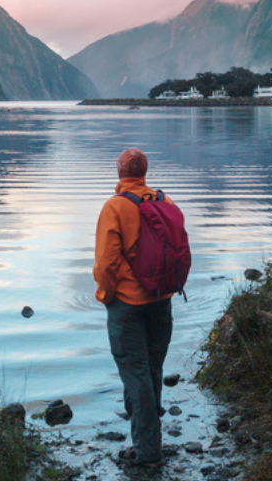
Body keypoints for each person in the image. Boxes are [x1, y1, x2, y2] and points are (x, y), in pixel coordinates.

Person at [94, 147, 176, 465]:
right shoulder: (165, 202)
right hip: (161, 301)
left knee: (136, 375)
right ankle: (147, 437)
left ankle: (148, 451)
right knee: (152, 370)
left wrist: (105, 295)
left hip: (127, 305)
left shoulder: (114, 207)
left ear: (120, 172)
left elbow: (106, 264)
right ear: (144, 172)